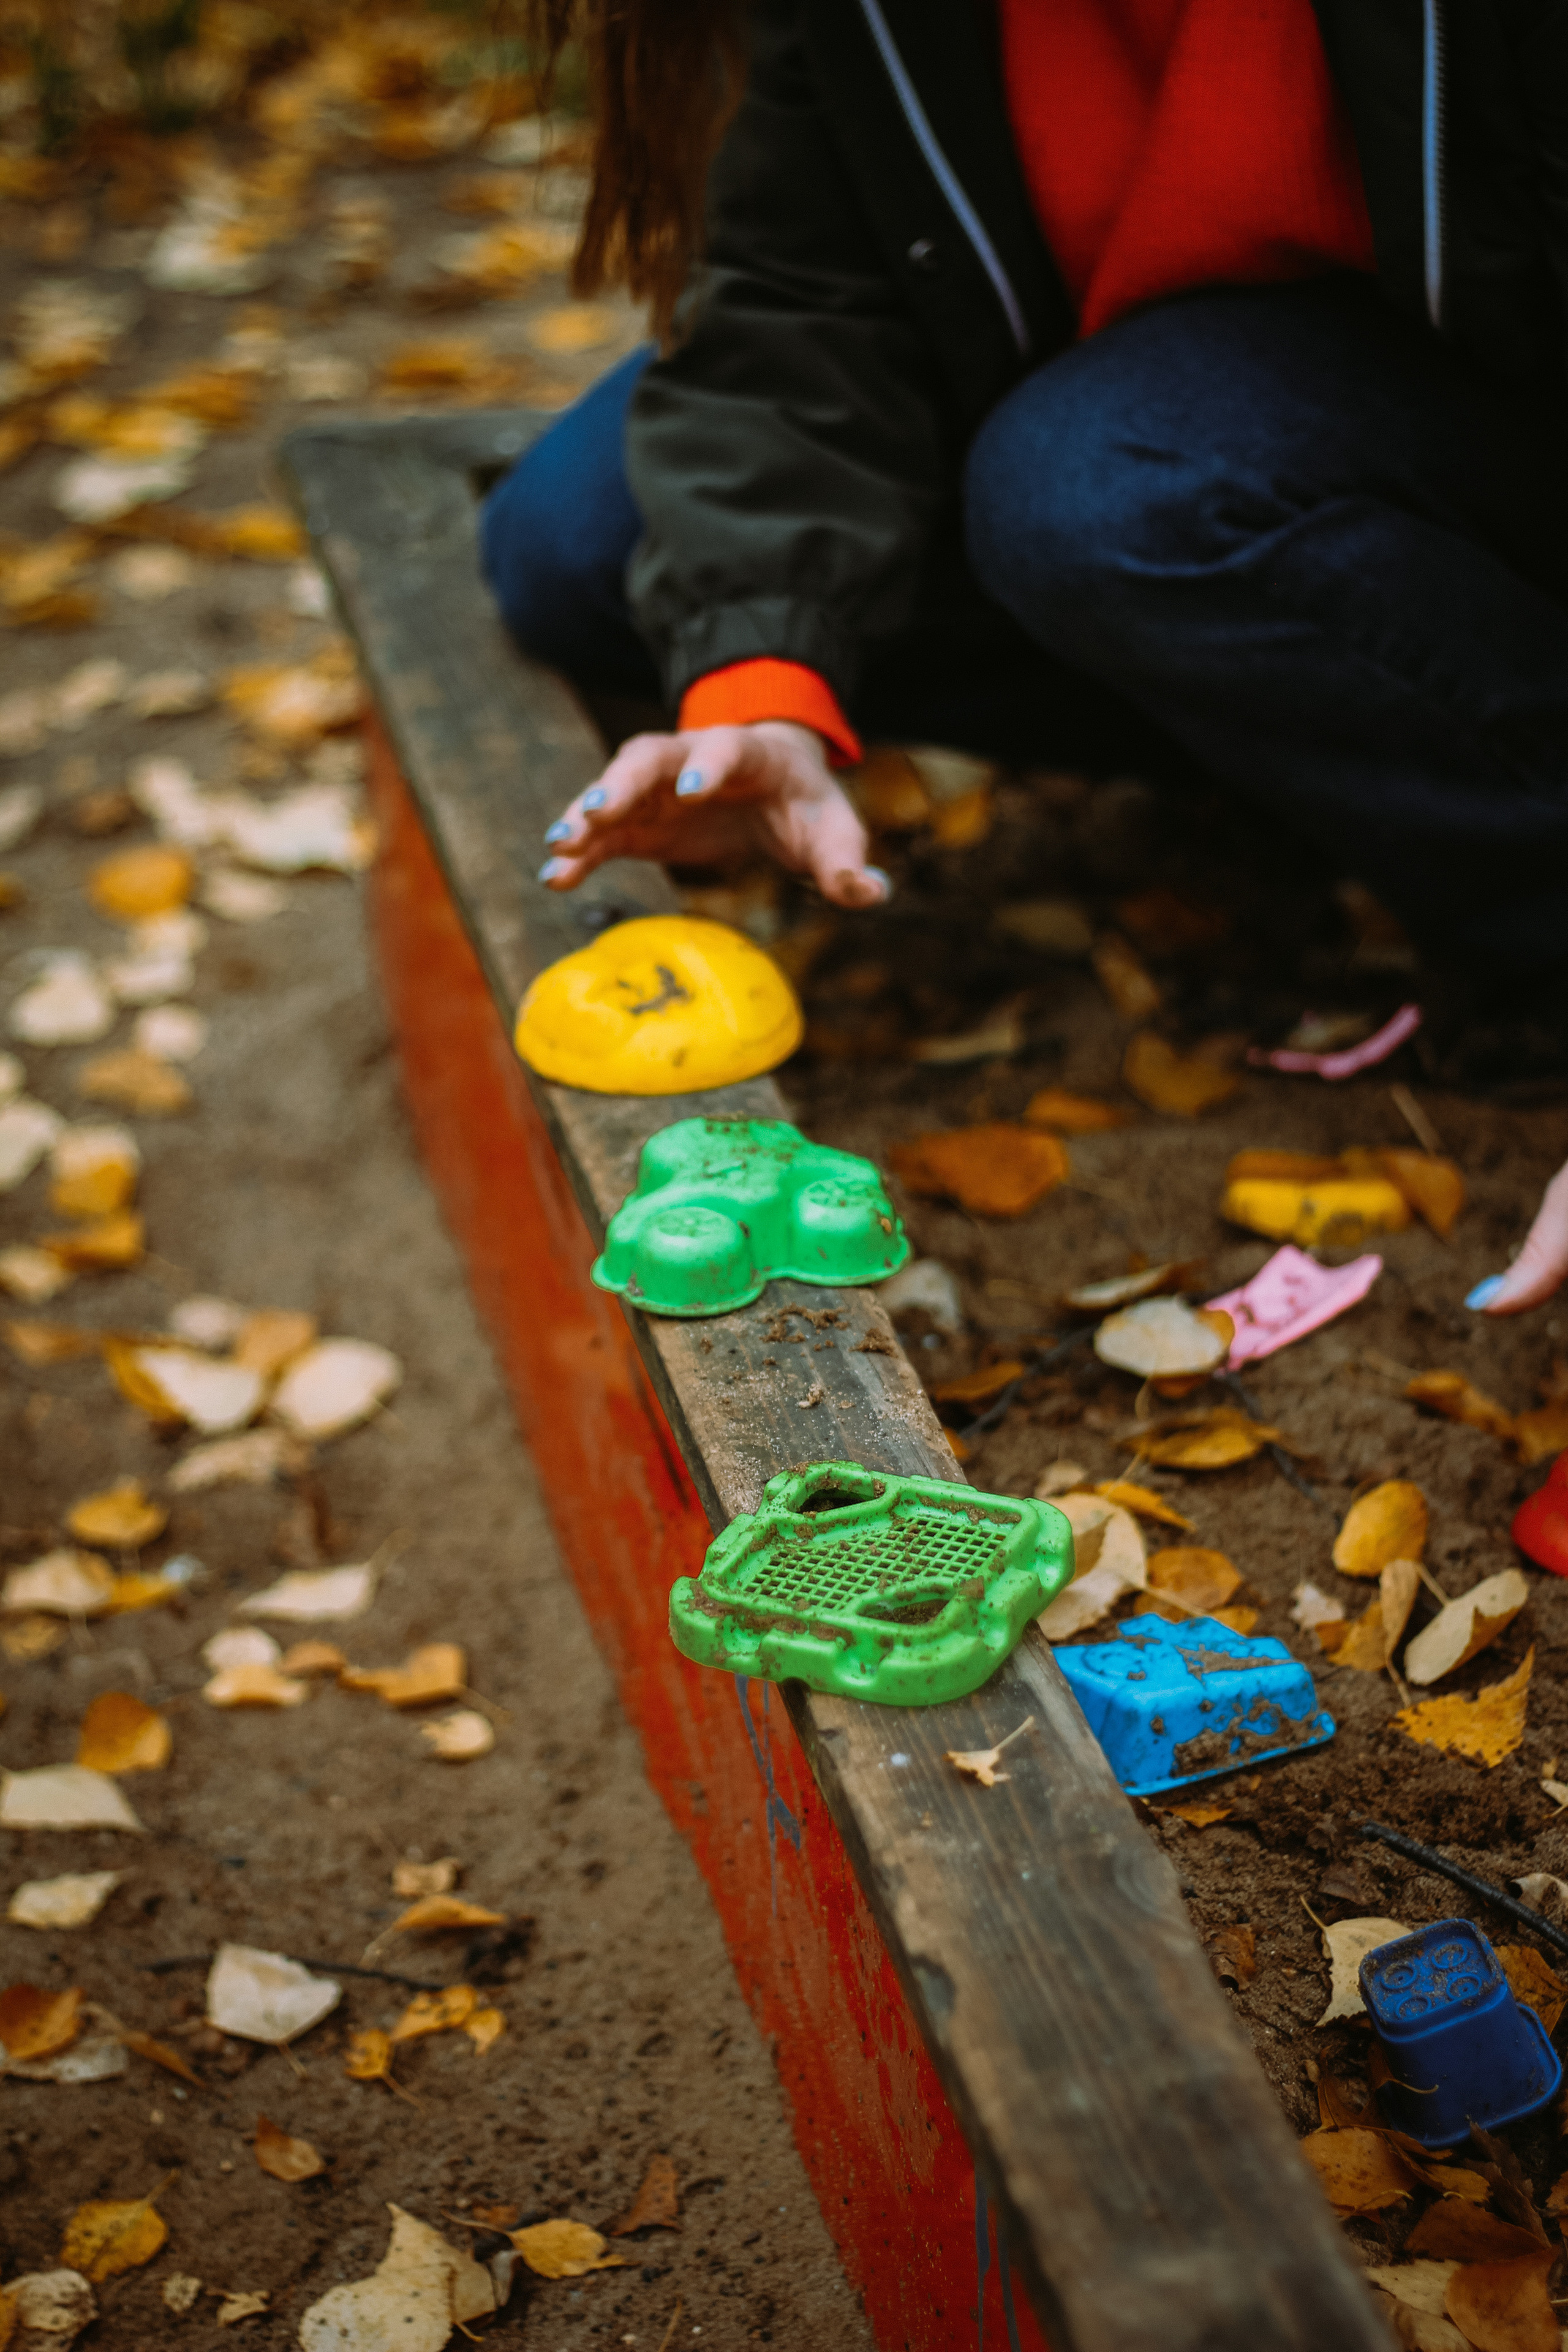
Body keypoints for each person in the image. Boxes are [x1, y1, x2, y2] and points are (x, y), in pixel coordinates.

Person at [481, 0, 1568, 1307]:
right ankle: (1291, 724)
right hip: (1132, 375)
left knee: (1101, 485)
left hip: (1470, 417)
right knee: (581, 542)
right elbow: (800, 287)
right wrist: (764, 680)